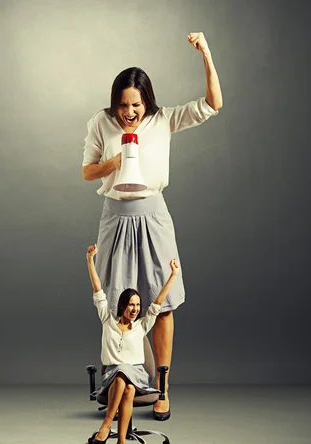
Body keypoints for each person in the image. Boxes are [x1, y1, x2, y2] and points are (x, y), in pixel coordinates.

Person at [82, 32, 222, 420]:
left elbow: (214, 103)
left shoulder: (164, 120)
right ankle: (118, 380)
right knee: (114, 303)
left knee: (162, 305)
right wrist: (113, 161)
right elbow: (86, 171)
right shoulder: (101, 122)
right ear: (115, 103)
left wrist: (206, 54)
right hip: (115, 217)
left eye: (137, 104)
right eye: (123, 105)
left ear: (148, 102)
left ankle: (161, 389)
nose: (130, 112)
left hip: (154, 216)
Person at [86, 244, 179, 444]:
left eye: (138, 305)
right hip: (112, 376)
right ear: (122, 306)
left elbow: (158, 303)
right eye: (131, 304)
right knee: (122, 379)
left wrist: (174, 275)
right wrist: (90, 260)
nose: (135, 309)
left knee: (126, 375)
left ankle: (107, 424)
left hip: (136, 375)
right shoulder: (107, 320)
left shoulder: (141, 327)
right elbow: (98, 290)